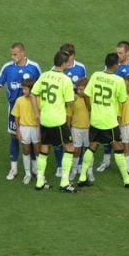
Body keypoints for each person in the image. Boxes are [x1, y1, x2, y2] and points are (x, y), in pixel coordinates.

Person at [77, 53, 129, 188]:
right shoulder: (118, 80)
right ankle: (127, 180)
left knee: (91, 147)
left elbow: (87, 95)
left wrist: (91, 110)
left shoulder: (95, 75)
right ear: (115, 65)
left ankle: (82, 177)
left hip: (95, 120)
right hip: (109, 121)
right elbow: (123, 100)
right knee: (118, 148)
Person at [0, 42, 41, 181]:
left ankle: (34, 168)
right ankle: (14, 168)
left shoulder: (34, 67)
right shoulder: (7, 68)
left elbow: (42, 85)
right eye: (11, 54)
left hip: (31, 109)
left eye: (15, 54)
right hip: (14, 109)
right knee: (14, 136)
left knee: (31, 139)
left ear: (23, 53)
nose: (13, 57)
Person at [31, 51, 79, 192]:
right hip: (58, 120)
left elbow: (34, 93)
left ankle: (40, 181)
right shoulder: (65, 80)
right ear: (64, 64)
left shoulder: (44, 75)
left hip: (45, 119)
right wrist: (76, 97)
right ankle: (64, 182)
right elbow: (70, 102)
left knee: (45, 148)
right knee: (70, 147)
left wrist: (36, 112)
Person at [53, 43, 86, 178]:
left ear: (73, 55)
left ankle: (78, 165)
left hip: (77, 108)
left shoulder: (80, 67)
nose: (66, 58)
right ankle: (60, 166)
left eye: (68, 55)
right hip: (61, 108)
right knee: (60, 138)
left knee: (79, 136)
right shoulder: (56, 69)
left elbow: (85, 85)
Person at [11, 78, 40, 184]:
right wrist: (18, 131)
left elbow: (40, 116)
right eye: (23, 89)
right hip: (24, 128)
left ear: (31, 90)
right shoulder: (19, 100)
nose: (23, 91)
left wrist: (41, 131)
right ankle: (27, 173)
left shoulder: (38, 100)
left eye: (26, 89)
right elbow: (16, 117)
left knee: (37, 151)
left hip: (36, 128)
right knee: (26, 150)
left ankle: (38, 173)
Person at [67, 78, 93, 182]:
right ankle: (74, 170)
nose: (79, 91)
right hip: (76, 129)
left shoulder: (91, 100)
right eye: (78, 89)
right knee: (76, 150)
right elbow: (69, 115)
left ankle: (89, 171)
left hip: (88, 129)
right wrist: (68, 129)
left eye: (81, 89)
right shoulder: (74, 100)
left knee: (88, 151)